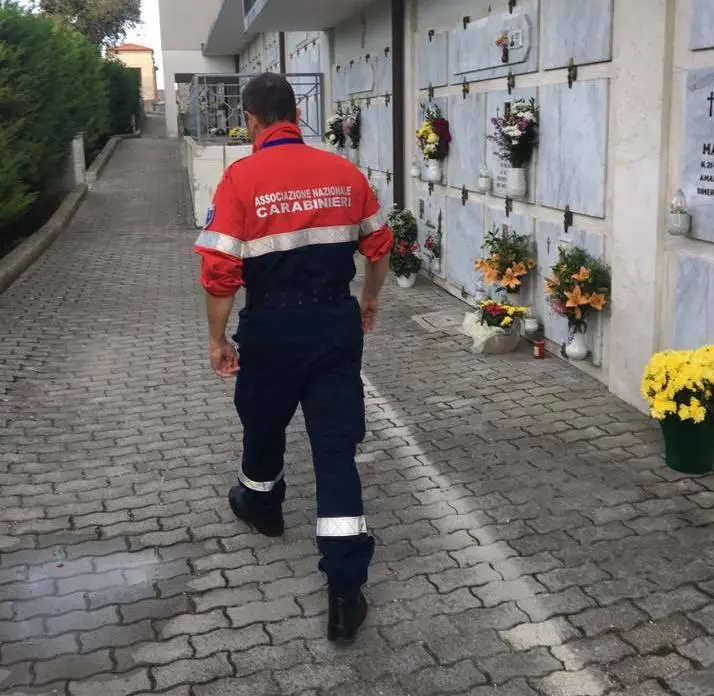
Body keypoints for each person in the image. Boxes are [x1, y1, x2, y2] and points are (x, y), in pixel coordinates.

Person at [193, 73, 393, 644]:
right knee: (334, 450)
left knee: (262, 419)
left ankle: (262, 506)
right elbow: (380, 247)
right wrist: (370, 298)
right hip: (333, 324)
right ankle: (345, 592)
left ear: (253, 121)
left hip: (272, 327)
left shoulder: (240, 179)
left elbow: (220, 274)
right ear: (295, 117)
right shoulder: (344, 172)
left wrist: (219, 340)